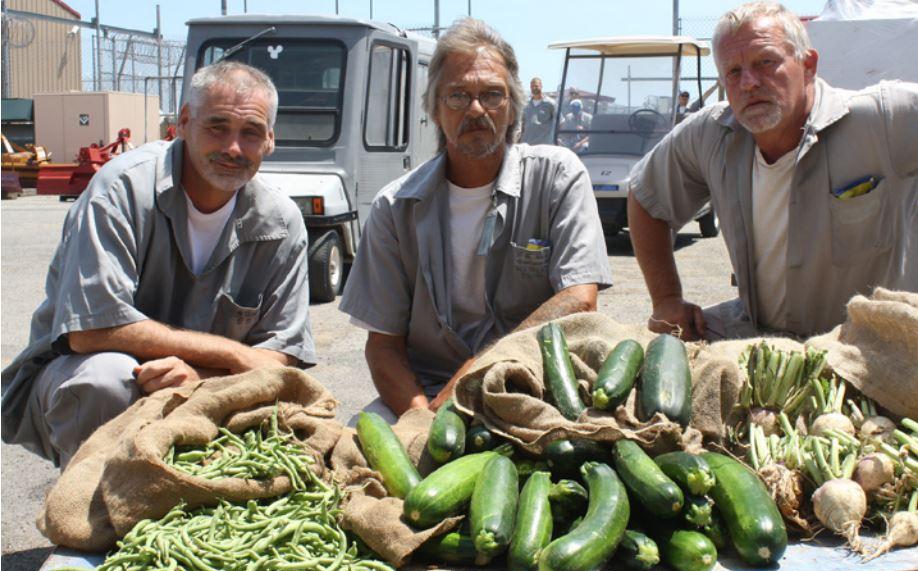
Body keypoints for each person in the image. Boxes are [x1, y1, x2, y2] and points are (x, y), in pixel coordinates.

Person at [0, 61, 316, 467]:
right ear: (183, 122)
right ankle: (92, 501)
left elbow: (281, 359)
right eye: (217, 127)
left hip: (210, 383)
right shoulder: (122, 190)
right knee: (107, 379)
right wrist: (232, 355)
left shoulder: (280, 222)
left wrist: (199, 379)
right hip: (91, 381)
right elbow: (89, 331)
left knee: (285, 407)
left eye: (250, 133)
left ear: (270, 140)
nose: (233, 148)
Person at [339, 18, 612, 418]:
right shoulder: (394, 207)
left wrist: (476, 371)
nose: (476, 109)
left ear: (513, 107)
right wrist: (422, 419)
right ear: (434, 109)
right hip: (428, 391)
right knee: (354, 446)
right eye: (457, 95)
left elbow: (579, 299)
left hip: (538, 385)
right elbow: (383, 347)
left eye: (492, 94)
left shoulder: (557, 177)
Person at [627, 1, 917, 341]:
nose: (749, 83)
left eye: (765, 62)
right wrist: (666, 299)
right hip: (760, 337)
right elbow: (646, 197)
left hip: (865, 350)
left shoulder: (882, 120)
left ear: (808, 65)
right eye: (733, 72)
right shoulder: (711, 135)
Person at [520, 77, 557, 145]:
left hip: (543, 145)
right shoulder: (525, 104)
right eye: (532, 86)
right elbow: (521, 123)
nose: (534, 88)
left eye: (536, 86)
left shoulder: (551, 104)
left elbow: (560, 122)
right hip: (527, 144)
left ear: (541, 86)